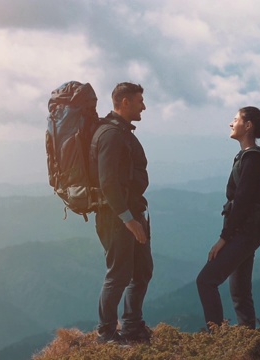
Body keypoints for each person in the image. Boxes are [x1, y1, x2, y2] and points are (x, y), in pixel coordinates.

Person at [196, 106, 260, 330]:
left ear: (247, 125)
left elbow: (243, 203)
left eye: (235, 119)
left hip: (244, 232)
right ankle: (247, 340)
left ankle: (218, 339)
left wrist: (224, 238)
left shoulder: (253, 159)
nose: (231, 123)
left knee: (206, 281)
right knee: (239, 291)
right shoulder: (249, 156)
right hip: (247, 231)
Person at [90, 82, 153, 344]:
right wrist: (128, 220)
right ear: (124, 102)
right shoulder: (111, 135)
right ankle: (106, 334)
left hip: (132, 213)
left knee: (142, 271)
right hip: (117, 217)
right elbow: (108, 183)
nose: (144, 106)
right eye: (140, 101)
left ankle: (131, 326)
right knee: (118, 275)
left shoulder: (122, 132)